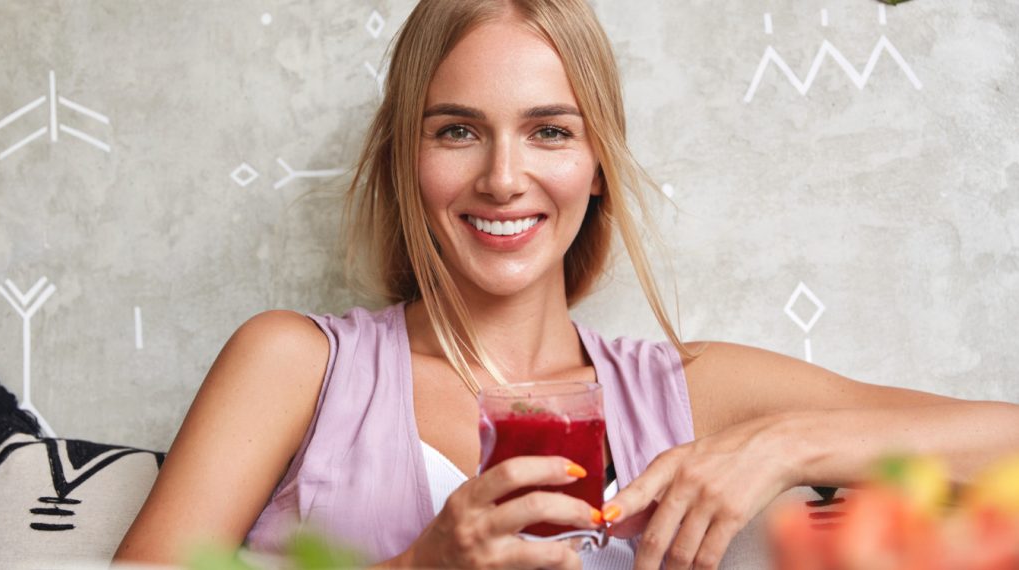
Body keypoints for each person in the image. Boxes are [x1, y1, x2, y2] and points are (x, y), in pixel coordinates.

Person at [114, 1, 1019, 568]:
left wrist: (783, 446)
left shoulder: (692, 389)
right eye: (457, 131)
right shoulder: (297, 364)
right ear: (405, 161)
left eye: (549, 131)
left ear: (596, 165)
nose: (503, 178)